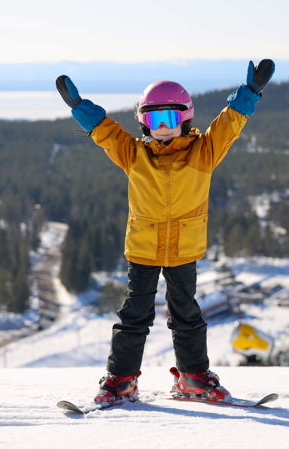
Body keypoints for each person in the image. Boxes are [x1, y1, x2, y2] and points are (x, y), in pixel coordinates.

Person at [55, 59, 275, 405]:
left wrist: (250, 92)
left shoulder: (204, 151)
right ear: (143, 122)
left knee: (187, 313)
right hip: (143, 248)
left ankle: (192, 376)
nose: (162, 126)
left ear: (185, 118)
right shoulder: (134, 155)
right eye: (154, 119)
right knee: (135, 315)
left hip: (184, 250)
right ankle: (121, 380)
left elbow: (229, 124)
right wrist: (79, 107)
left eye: (170, 118)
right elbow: (106, 132)